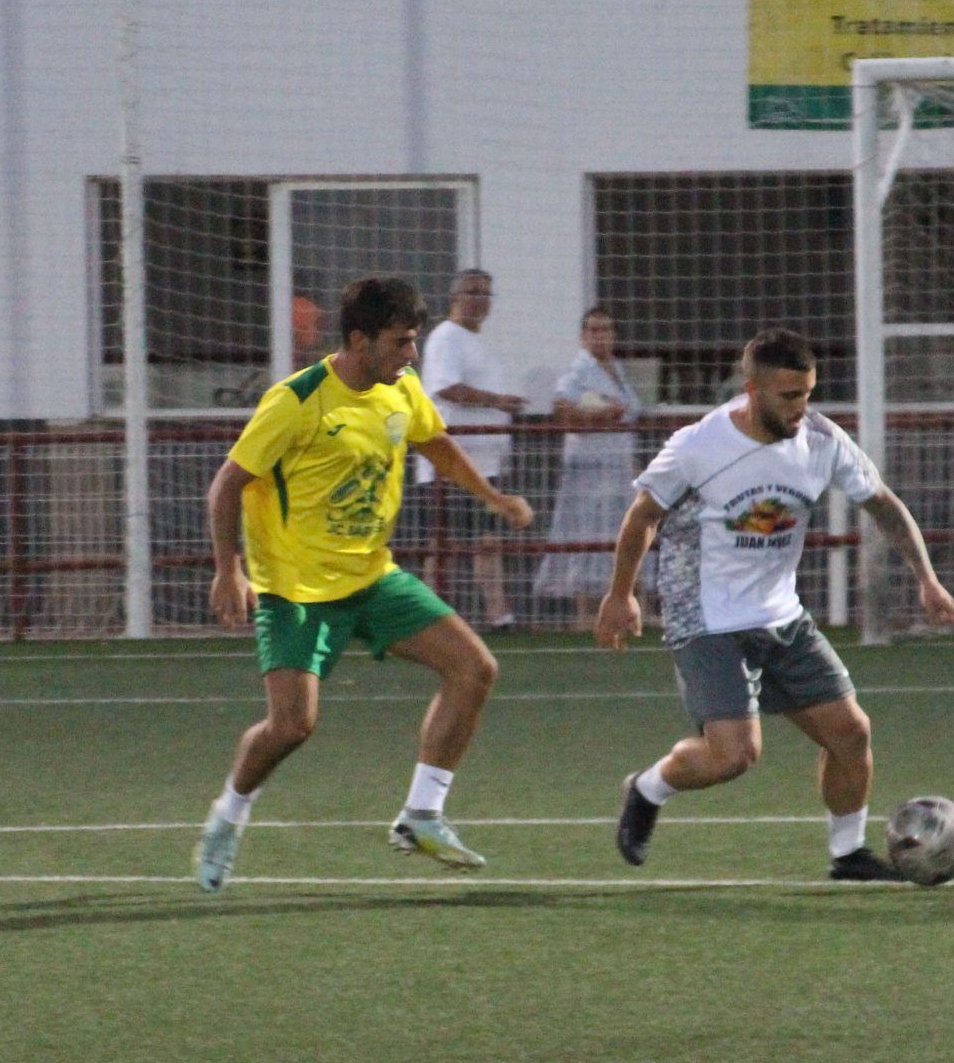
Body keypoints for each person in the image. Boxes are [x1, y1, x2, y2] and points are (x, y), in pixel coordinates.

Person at [196, 274, 535, 891]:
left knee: (474, 669)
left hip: (372, 578)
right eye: (401, 341)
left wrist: (492, 497)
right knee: (292, 727)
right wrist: (229, 569)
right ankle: (229, 814)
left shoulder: (400, 387)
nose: (412, 354)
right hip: (297, 593)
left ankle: (421, 815)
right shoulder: (296, 400)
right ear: (359, 340)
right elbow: (227, 485)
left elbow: (437, 443)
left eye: (414, 340)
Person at [595, 327, 954, 880]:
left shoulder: (822, 441)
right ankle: (647, 789)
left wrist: (926, 579)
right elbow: (643, 515)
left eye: (807, 393)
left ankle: (847, 855)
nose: (801, 408)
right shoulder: (699, 445)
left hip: (780, 614)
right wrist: (621, 593)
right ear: (752, 390)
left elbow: (883, 504)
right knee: (734, 756)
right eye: (789, 396)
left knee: (851, 732)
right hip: (706, 617)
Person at [413, 268, 527, 628]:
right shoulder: (446, 338)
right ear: (455, 297)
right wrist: (497, 401)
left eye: (486, 293)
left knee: (487, 540)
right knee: (442, 544)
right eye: (473, 292)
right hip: (452, 462)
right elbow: (446, 387)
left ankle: (499, 615)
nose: (480, 300)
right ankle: (426, 616)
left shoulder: (480, 342)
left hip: (485, 462)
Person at [532, 307, 644, 630]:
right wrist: (602, 414)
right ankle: (585, 611)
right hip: (589, 469)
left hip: (620, 466)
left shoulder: (617, 370)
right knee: (586, 533)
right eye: (593, 330)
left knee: (625, 533)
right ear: (583, 336)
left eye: (606, 330)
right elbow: (562, 408)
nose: (600, 336)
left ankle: (630, 605)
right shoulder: (578, 371)